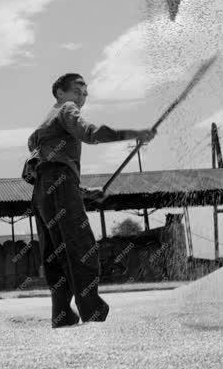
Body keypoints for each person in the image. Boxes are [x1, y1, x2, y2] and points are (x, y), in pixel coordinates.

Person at [22, 73, 155, 328]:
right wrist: (134, 133)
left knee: (54, 252)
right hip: (59, 185)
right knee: (79, 247)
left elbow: (50, 169)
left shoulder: (42, 125)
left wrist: (81, 191)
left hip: (42, 192)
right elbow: (91, 133)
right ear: (60, 93)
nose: (82, 95)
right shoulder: (66, 109)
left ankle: (62, 314)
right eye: (77, 89)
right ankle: (92, 311)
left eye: (85, 92)